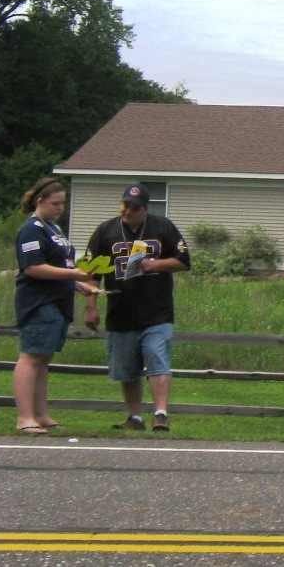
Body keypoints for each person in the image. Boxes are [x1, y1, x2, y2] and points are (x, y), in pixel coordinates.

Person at [85, 184, 192, 432]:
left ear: (145, 209)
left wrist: (154, 265)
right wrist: (90, 306)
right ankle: (134, 417)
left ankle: (160, 413)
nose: (127, 211)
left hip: (156, 310)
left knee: (157, 358)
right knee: (127, 367)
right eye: (125, 205)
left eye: (133, 208)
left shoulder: (163, 227)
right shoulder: (106, 231)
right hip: (120, 310)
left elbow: (184, 261)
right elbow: (91, 272)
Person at [13, 179, 98, 435]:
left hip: (58, 302)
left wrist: (78, 285)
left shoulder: (54, 229)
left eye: (63, 203)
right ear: (40, 202)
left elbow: (62, 265)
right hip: (39, 303)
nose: (61, 207)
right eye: (56, 203)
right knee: (31, 357)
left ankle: (40, 414)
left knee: (44, 358)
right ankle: (24, 417)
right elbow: (33, 267)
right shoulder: (32, 230)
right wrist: (73, 276)